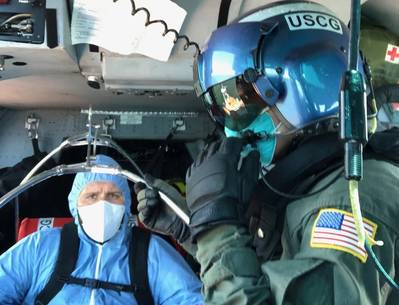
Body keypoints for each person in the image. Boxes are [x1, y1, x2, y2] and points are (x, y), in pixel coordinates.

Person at [136, 1, 399, 304]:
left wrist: (216, 226)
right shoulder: (316, 187)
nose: (230, 127)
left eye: (239, 102)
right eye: (222, 109)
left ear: (301, 86)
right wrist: (192, 230)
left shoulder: (350, 201)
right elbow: (280, 278)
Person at [0, 154, 203, 305]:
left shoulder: (151, 252)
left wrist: (192, 234)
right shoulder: (40, 246)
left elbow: (192, 299)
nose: (103, 204)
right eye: (92, 196)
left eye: (114, 196)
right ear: (75, 205)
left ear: (127, 204)